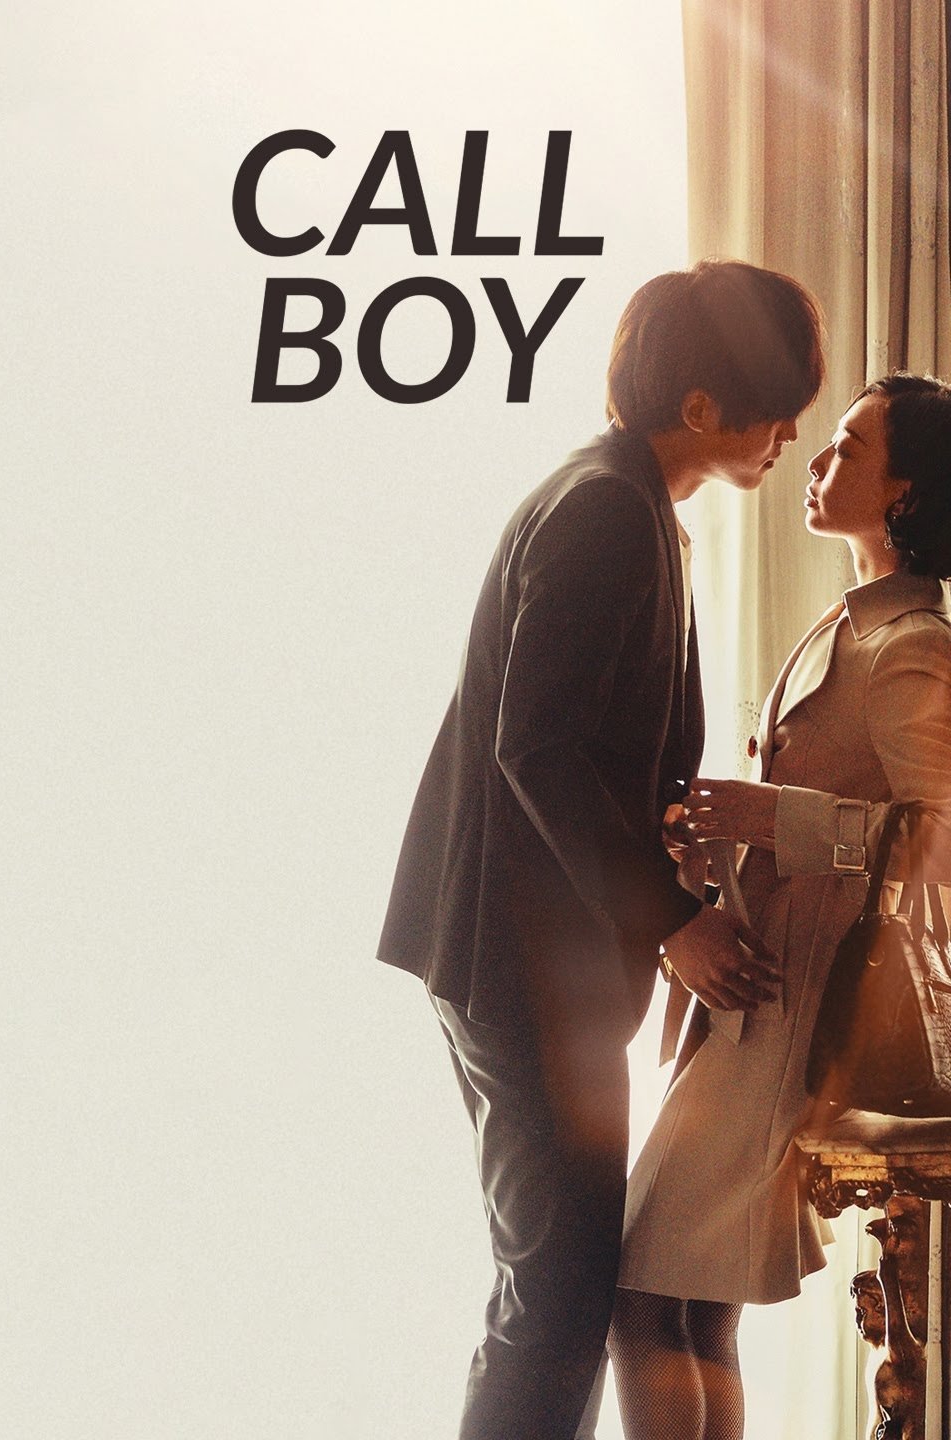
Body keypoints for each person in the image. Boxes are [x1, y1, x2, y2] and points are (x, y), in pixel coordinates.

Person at [377, 259, 825, 1440]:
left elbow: (578, 745)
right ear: (701, 407)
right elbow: (538, 748)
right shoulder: (603, 512)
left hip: (528, 960)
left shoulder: (633, 505)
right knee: (558, 1298)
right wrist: (673, 922)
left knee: (558, 1292)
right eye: (778, 410)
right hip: (516, 961)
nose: (790, 436)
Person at [608, 372, 951, 1440]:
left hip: (799, 1011)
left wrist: (778, 817)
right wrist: (718, 842)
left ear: (902, 493)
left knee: (648, 1297)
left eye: (849, 448)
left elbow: (941, 841)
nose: (818, 460)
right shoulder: (846, 626)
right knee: (689, 1301)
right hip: (754, 995)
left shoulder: (912, 644)